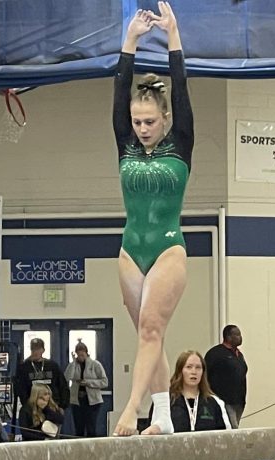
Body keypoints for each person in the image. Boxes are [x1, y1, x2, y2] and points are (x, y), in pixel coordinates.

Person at [111, 3, 192, 436]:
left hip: (167, 248)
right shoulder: (125, 143)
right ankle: (163, 417)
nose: (142, 128)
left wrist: (172, 35)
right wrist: (130, 40)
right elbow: (120, 86)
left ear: (165, 119)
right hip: (130, 249)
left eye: (149, 121)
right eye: (137, 122)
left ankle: (133, 408)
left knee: (149, 330)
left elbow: (180, 86)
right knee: (151, 335)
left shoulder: (181, 142)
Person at [14, 338, 69, 426]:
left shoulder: (52, 366)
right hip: (33, 408)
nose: (35, 352)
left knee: (52, 430)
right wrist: (28, 406)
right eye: (33, 349)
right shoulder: (24, 367)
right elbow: (20, 389)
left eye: (38, 349)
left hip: (52, 406)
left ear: (43, 350)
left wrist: (62, 405)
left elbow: (62, 386)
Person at [203, 325, 248, 427]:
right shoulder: (215, 353)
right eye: (237, 335)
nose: (240, 337)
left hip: (239, 401)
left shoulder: (239, 355)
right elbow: (205, 373)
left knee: (235, 426)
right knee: (233, 429)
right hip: (224, 400)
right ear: (228, 337)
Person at [63, 342, 108, 437]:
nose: (80, 357)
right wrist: (73, 362)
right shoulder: (73, 365)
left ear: (86, 353)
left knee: (91, 427)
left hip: (92, 401)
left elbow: (104, 382)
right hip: (77, 401)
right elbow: (67, 377)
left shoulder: (95, 364)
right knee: (79, 428)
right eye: (78, 355)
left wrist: (88, 382)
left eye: (82, 355)